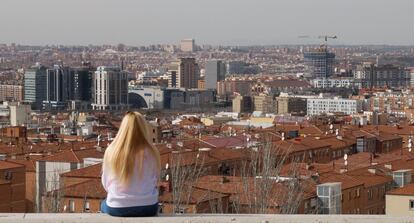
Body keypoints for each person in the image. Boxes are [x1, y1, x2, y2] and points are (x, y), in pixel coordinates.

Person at [101, 111, 161, 217]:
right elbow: (155, 180)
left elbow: (106, 183)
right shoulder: (152, 151)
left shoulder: (111, 151)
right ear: (144, 128)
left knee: (103, 205)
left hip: (117, 207)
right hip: (148, 207)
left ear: (123, 128)